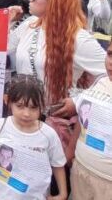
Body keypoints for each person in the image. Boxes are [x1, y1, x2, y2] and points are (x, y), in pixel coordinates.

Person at [8, 0, 106, 196]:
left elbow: (107, 73)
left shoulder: (77, 38)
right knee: (21, 182)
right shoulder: (29, 24)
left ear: (54, 2)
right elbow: (3, 48)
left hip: (54, 123)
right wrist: (8, 21)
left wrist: (78, 101)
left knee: (52, 185)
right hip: (22, 117)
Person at [0, 76, 67, 200]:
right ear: (7, 101)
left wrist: (63, 193)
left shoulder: (48, 134)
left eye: (33, 108)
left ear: (42, 105)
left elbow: (58, 164)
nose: (26, 114)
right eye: (20, 106)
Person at [59, 42, 112, 199]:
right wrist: (69, 152)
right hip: (81, 171)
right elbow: (85, 119)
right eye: (110, 54)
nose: (111, 61)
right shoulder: (101, 80)